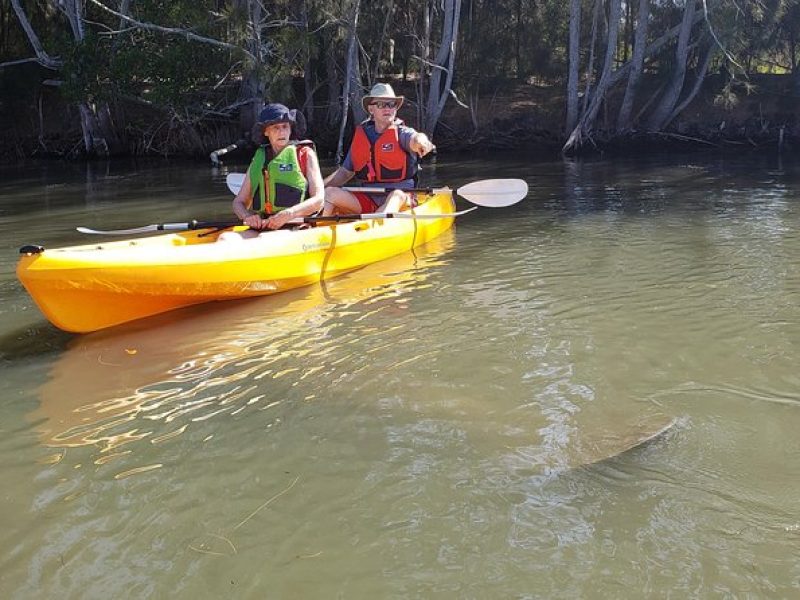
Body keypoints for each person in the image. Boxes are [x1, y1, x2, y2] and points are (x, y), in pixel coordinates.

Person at [323, 83, 435, 216]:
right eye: (381, 104)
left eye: (391, 104)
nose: (387, 108)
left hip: (400, 199)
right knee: (329, 193)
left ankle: (379, 225)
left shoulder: (402, 133)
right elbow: (345, 173)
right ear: (371, 109)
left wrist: (422, 142)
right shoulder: (362, 135)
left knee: (396, 195)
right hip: (368, 199)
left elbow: (416, 139)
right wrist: (318, 189)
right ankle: (317, 228)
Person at [221, 103, 325, 240]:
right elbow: (239, 202)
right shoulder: (258, 159)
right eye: (276, 128)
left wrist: (289, 213)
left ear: (290, 129)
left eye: (285, 127)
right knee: (225, 238)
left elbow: (319, 200)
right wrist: (248, 216)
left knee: (265, 239)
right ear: (266, 132)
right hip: (264, 226)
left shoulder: (305, 154)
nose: (282, 132)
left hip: (296, 226)